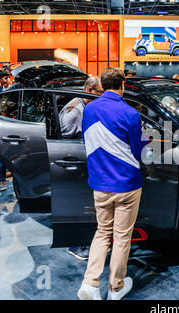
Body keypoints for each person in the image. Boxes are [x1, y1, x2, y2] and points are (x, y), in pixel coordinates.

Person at [78, 67, 145, 300]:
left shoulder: (88, 109)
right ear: (123, 85)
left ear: (103, 85)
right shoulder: (131, 114)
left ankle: (90, 283)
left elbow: (86, 138)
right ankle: (116, 287)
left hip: (99, 183)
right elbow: (138, 151)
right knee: (122, 236)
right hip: (127, 184)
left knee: (102, 232)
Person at [62, 77, 104, 261]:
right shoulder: (74, 111)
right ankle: (75, 244)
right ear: (89, 89)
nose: (101, 95)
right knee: (79, 204)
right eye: (99, 92)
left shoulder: (84, 106)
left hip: (84, 160)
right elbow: (63, 137)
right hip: (74, 161)